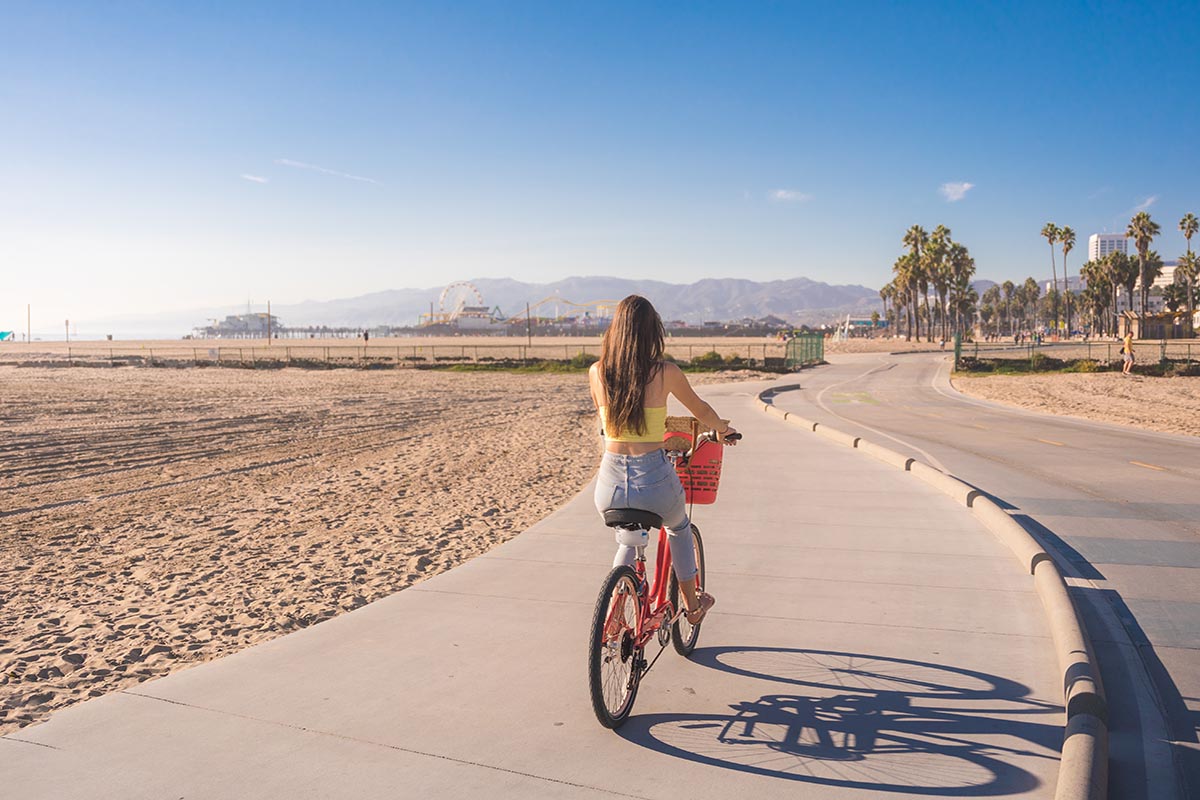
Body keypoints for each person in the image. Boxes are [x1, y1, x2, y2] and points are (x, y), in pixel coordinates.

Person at [589, 295, 737, 626]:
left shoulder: (597, 372)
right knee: (679, 527)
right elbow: (701, 411)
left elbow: (608, 423)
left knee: (628, 536)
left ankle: (613, 613)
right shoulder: (665, 372)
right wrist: (723, 430)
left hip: (609, 483)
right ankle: (693, 606)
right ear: (651, 332)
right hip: (652, 478)